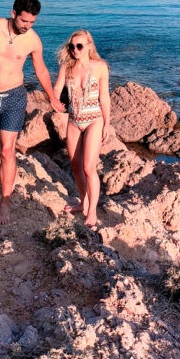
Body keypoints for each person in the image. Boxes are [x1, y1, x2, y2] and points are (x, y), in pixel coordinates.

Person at [0, 0, 65, 224]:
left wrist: (52, 98)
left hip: (15, 97)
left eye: (32, 23)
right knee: (0, 147)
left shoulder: (33, 41)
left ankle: (5, 202)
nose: (27, 26)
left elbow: (42, 71)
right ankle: (8, 178)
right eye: (24, 21)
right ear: (13, 14)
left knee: (8, 150)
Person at [53, 30, 110, 228]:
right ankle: (82, 202)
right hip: (74, 120)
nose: (75, 50)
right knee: (75, 165)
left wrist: (107, 124)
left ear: (89, 47)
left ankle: (92, 210)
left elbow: (104, 97)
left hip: (95, 119)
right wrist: (54, 102)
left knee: (88, 167)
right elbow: (57, 89)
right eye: (72, 46)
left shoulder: (100, 67)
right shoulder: (66, 68)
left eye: (79, 46)